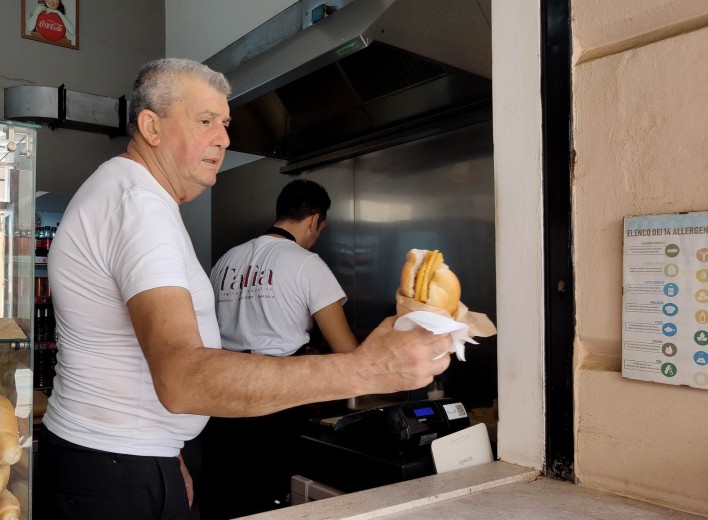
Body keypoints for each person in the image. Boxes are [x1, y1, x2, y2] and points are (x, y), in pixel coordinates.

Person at [39, 57, 451, 520]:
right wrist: (370, 369)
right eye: (205, 120)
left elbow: (131, 358)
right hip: (115, 473)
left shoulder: (126, 194)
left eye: (226, 123)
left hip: (123, 458)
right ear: (151, 127)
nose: (224, 138)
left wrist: (167, 449)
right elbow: (181, 377)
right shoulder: (140, 208)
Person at [200, 179, 359, 518]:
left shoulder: (226, 260)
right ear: (315, 220)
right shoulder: (306, 263)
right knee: (270, 501)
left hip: (219, 396)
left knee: (224, 497)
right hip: (275, 401)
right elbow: (347, 350)